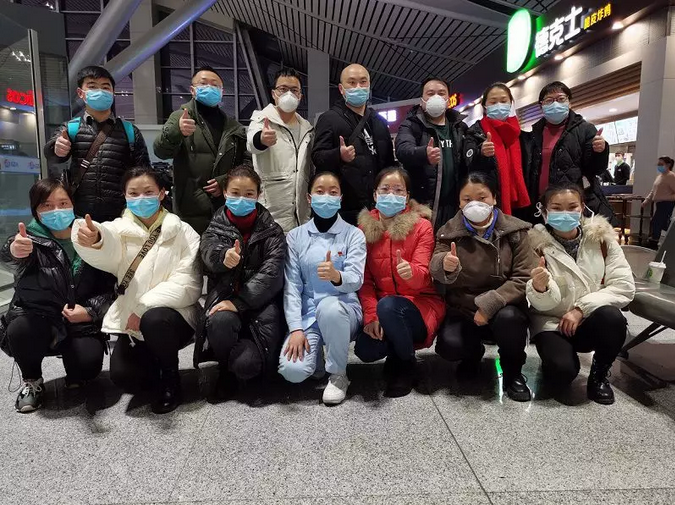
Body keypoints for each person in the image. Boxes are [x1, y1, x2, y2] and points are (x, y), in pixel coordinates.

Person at [72, 167, 202, 414]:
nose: (141, 198)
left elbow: (189, 283)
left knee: (154, 319)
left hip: (174, 317)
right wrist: (95, 238)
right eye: (133, 193)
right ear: (124, 196)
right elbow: (107, 244)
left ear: (162, 193)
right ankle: (154, 361)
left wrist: (143, 307)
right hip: (131, 320)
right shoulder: (119, 229)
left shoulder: (183, 231)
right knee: (125, 378)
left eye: (148, 192)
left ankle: (171, 378)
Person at [0, 179, 115, 412]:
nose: (56, 210)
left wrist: (90, 311)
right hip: (37, 317)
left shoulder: (90, 235)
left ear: (73, 204)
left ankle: (75, 370)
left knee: (88, 366)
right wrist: (13, 250)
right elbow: (10, 257)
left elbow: (109, 286)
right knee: (20, 330)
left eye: (63, 203)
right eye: (47, 205)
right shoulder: (27, 239)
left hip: (78, 318)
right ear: (36, 210)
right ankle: (32, 380)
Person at [430, 172, 535, 402]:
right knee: (449, 346)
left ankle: (513, 372)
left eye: (482, 197)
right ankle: (471, 355)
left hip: (504, 304)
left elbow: (523, 277)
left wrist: (488, 306)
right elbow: (435, 266)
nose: (475, 204)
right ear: (459, 203)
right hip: (463, 307)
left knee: (511, 321)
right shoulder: (448, 231)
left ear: (494, 198)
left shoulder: (515, 231)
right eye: (467, 199)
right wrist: (445, 265)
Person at [527, 184, 635, 404]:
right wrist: (541, 288)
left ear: (582, 207)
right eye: (556, 208)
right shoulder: (533, 244)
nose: (565, 213)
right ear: (544, 211)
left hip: (590, 320)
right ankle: (553, 361)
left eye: (572, 207)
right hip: (552, 323)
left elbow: (624, 286)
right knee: (562, 373)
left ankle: (599, 375)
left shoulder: (603, 240)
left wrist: (580, 309)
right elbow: (539, 304)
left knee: (613, 317)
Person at [354, 167, 446, 397]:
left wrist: (410, 272)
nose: (391, 195)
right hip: (382, 308)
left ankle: (406, 364)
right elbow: (364, 280)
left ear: (407, 196)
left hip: (420, 304)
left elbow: (424, 275)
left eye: (398, 190)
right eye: (385, 189)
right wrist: (371, 317)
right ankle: (396, 352)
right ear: (375, 194)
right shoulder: (362, 231)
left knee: (390, 307)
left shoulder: (421, 226)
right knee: (366, 349)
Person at [196, 166, 286, 398]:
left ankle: (248, 361)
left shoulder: (273, 232)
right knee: (220, 319)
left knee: (249, 367)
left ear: (258, 195)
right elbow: (208, 253)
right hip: (224, 300)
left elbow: (272, 275)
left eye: (248, 194)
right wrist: (223, 257)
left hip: (260, 305)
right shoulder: (213, 229)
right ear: (225, 192)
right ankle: (224, 370)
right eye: (235, 193)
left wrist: (239, 302)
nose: (241, 199)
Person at [278, 172, 366, 405]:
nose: (326, 196)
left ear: (340, 198)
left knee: (329, 307)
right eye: (320, 191)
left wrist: (337, 277)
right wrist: (296, 329)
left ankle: (338, 375)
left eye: (333, 192)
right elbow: (292, 286)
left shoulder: (353, 234)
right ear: (309, 198)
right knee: (293, 371)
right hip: (308, 314)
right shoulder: (295, 237)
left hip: (343, 310)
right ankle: (316, 358)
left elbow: (357, 279)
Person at [44, 65, 150, 223]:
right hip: (79, 213)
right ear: (81, 93)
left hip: (121, 215)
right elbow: (52, 152)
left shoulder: (130, 131)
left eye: (105, 87)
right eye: (92, 86)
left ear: (113, 93)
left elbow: (144, 171)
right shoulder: (71, 128)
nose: (100, 91)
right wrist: (57, 149)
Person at [154, 66, 252, 234]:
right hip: (190, 207)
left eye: (215, 85)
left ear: (222, 92)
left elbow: (246, 162)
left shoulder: (233, 127)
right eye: (203, 83)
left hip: (225, 207)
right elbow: (161, 152)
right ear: (193, 90)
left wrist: (225, 181)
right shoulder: (180, 117)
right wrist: (176, 132)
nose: (209, 88)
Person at [311, 64, 395, 225]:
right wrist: (338, 154)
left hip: (377, 207)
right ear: (341, 89)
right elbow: (317, 156)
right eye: (352, 82)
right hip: (345, 208)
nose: (358, 87)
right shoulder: (329, 119)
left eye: (363, 82)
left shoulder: (379, 121)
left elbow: (388, 163)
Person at [529, 81, 616, 225]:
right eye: (549, 100)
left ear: (569, 103)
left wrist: (600, 151)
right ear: (541, 105)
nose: (555, 104)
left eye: (561, 99)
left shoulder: (585, 129)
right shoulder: (534, 133)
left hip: (572, 205)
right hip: (542, 204)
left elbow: (596, 169)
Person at [395, 77, 467, 230]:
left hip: (455, 205)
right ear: (422, 100)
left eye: (441, 93)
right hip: (423, 206)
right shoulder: (411, 124)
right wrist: (423, 154)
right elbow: (402, 149)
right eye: (430, 93)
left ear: (448, 99)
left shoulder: (459, 127)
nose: (436, 97)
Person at [247, 68, 314, 233]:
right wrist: (261, 140)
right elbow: (251, 144)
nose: (288, 94)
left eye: (294, 90)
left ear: (300, 96)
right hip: (271, 210)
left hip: (301, 213)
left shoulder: (307, 127)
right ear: (273, 94)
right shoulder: (261, 119)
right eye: (283, 89)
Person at [464, 82, 533, 221]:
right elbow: (467, 164)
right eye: (493, 102)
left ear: (511, 103)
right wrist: (480, 153)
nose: (499, 105)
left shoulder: (521, 135)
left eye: (503, 101)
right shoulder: (475, 132)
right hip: (490, 201)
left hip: (521, 203)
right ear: (485, 105)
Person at [642, 156, 675, 248]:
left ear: (668, 165)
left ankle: (654, 241)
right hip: (659, 203)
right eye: (658, 164)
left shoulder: (671, 176)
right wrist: (647, 200)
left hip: (667, 203)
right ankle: (657, 240)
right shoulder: (660, 176)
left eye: (661, 164)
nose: (659, 166)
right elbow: (653, 191)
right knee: (663, 223)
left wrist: (666, 197)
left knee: (656, 222)